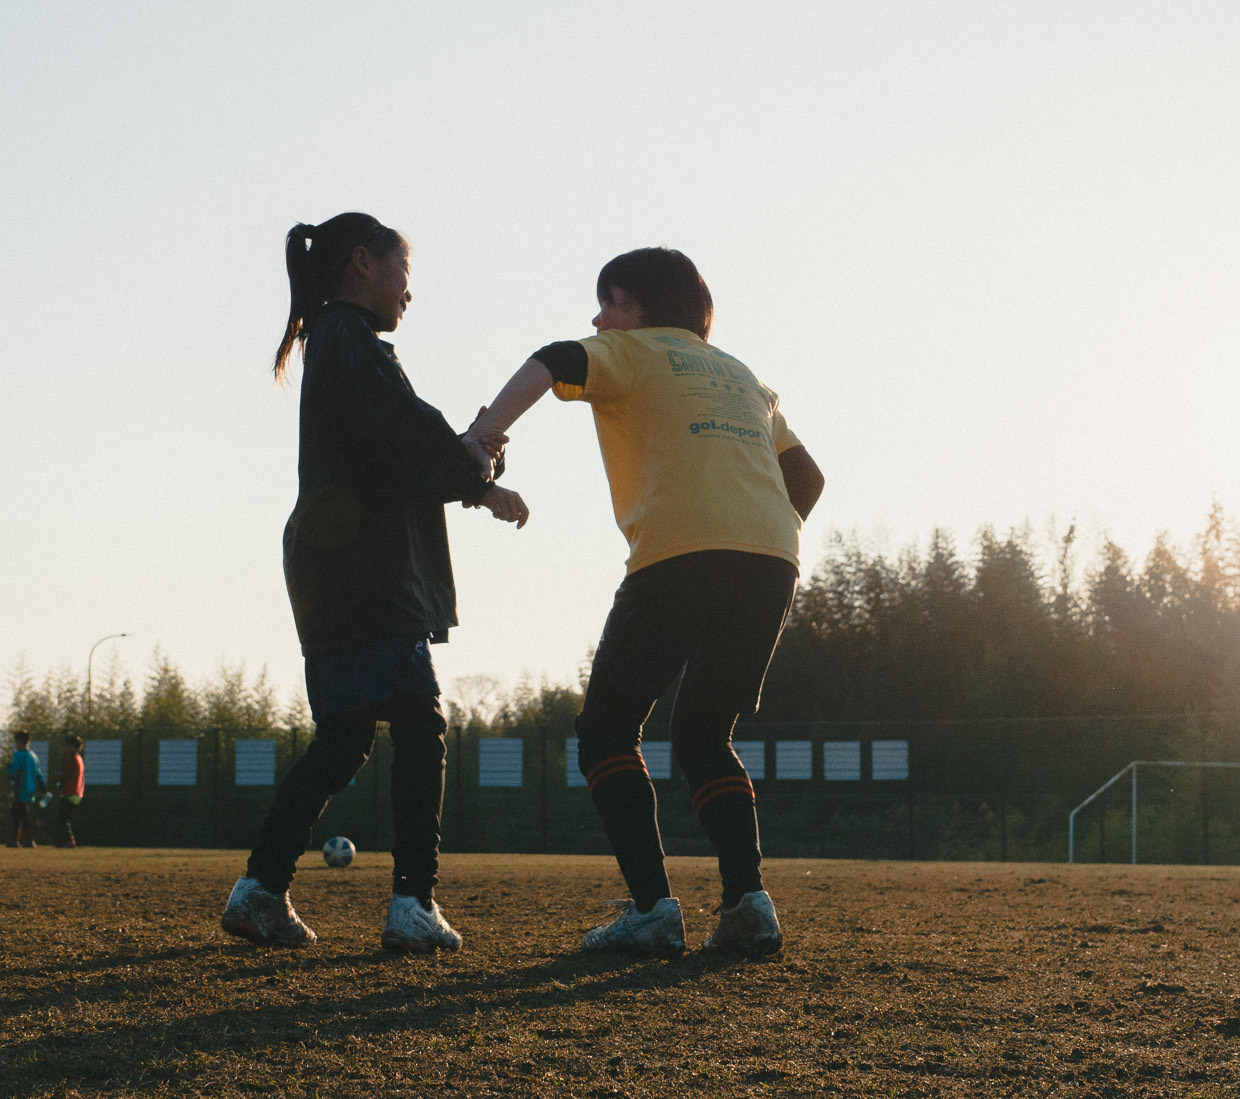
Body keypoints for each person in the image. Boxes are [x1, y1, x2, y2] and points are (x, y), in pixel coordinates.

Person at [467, 247, 824, 956]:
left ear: (640, 310)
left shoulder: (628, 353)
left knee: (606, 726)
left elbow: (550, 358)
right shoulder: (743, 377)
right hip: (771, 558)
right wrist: (753, 526)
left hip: (679, 552)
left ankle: (653, 908)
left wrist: (483, 435)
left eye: (610, 302)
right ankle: (748, 902)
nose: (599, 318)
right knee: (702, 731)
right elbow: (807, 478)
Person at [221, 213, 529, 953]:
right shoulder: (350, 343)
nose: (409, 294)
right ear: (363, 262)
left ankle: (261, 889)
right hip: (359, 567)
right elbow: (406, 435)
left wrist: (473, 477)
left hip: (330, 566)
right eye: (403, 273)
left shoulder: (336, 344)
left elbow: (395, 449)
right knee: (420, 725)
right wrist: (473, 459)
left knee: (345, 737)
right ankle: (411, 903)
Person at [5, 730, 48, 849]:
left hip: (20, 790)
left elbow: (14, 771)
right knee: (24, 814)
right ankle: (26, 840)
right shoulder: (33, 756)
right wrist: (43, 788)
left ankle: (19, 840)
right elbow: (38, 774)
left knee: (17, 815)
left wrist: (8, 769)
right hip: (31, 790)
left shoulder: (18, 755)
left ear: (18, 742)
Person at [47, 734, 85, 848]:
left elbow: (67, 775)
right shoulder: (79, 758)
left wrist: (58, 776)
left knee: (61, 819)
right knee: (64, 818)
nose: (65, 748)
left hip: (70, 793)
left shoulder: (73, 759)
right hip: (76, 793)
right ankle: (66, 841)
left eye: (67, 746)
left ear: (73, 746)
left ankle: (67, 841)